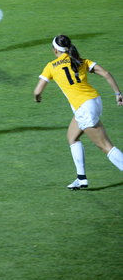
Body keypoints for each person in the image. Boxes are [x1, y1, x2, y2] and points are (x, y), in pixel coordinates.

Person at [33, 35, 123, 189]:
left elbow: (37, 91)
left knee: (105, 146)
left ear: (55, 50)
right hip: (94, 101)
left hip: (84, 108)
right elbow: (106, 73)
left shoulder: (51, 66)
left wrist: (37, 98)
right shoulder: (79, 60)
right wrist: (118, 93)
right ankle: (81, 179)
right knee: (72, 136)